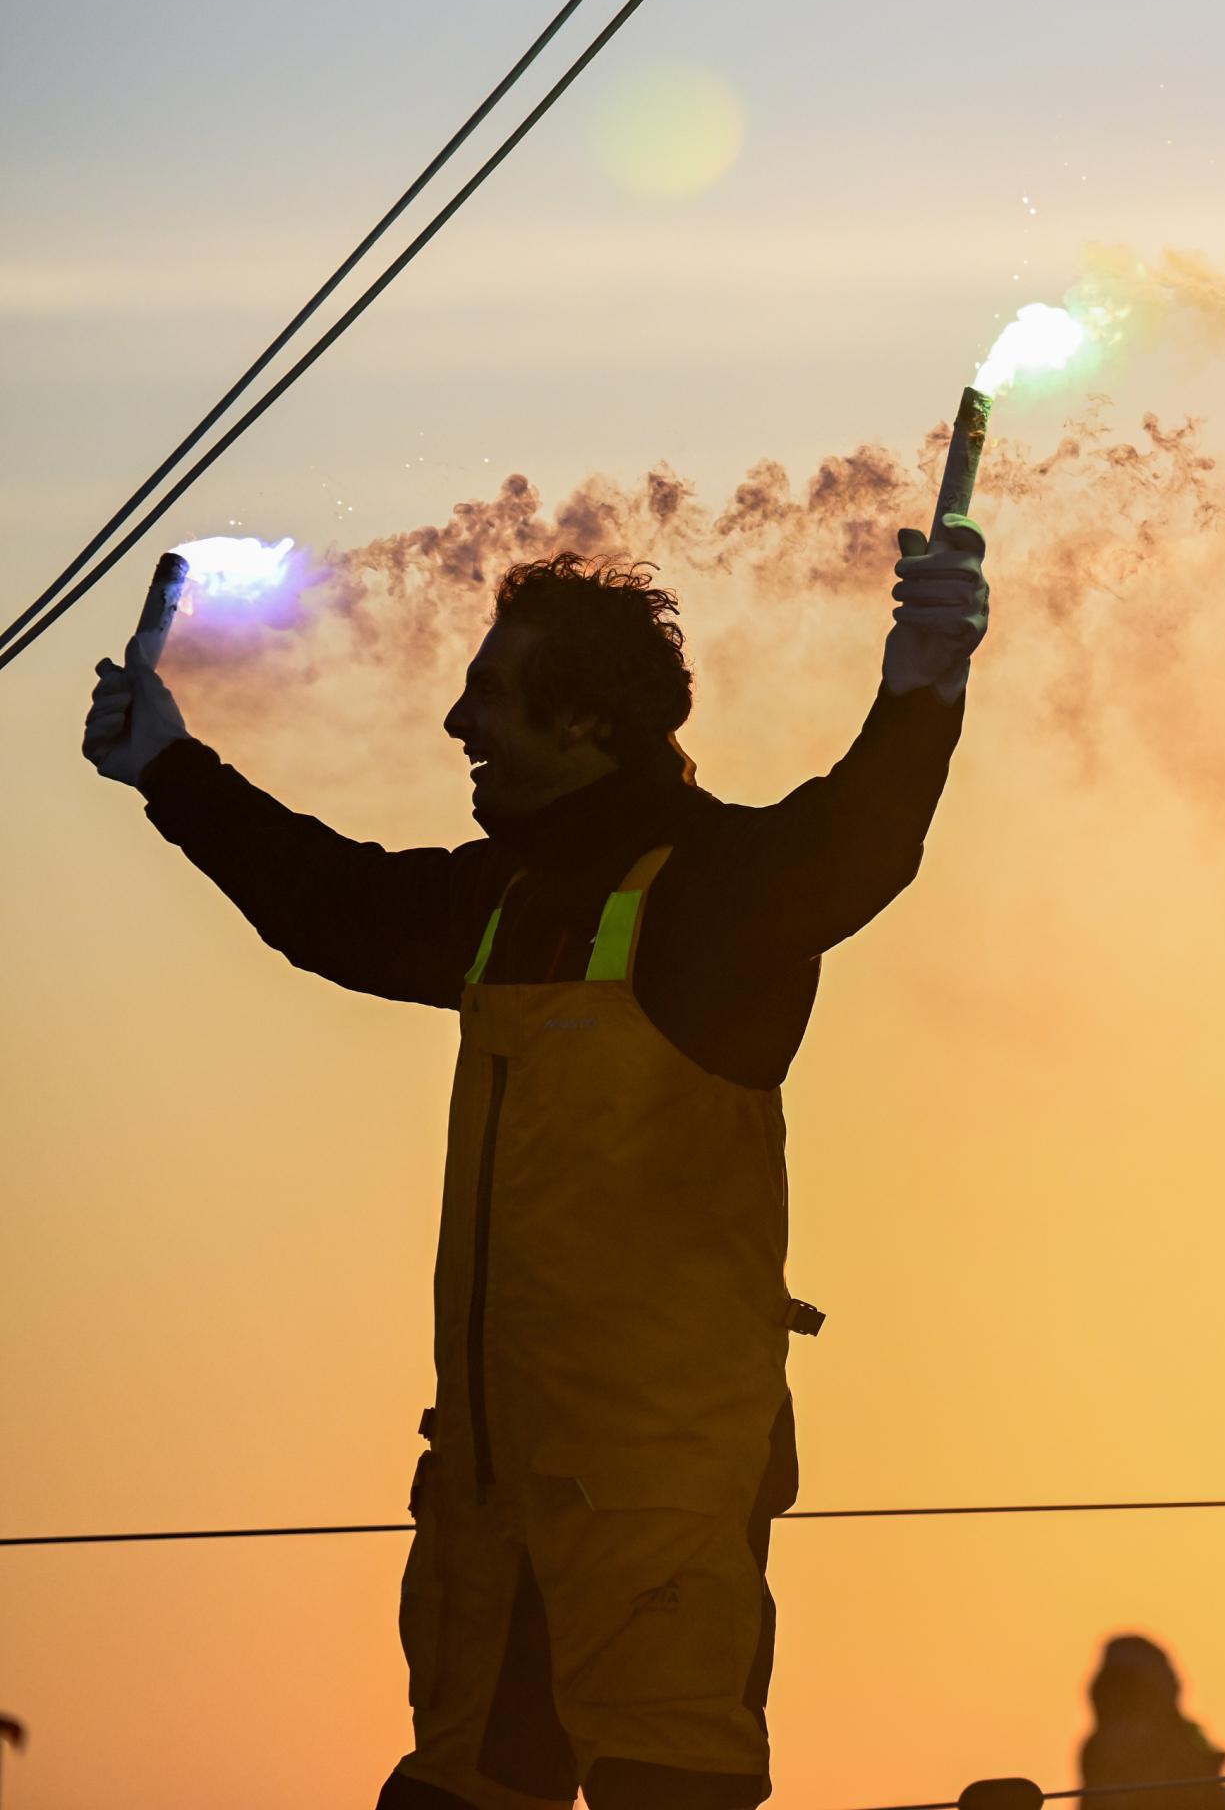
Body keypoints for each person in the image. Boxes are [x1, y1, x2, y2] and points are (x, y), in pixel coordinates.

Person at [79, 514, 991, 1809]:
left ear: (587, 727)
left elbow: (857, 844)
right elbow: (336, 907)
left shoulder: (712, 898)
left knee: (665, 1784)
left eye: (489, 693)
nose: (458, 722)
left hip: (651, 1512)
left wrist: (926, 679)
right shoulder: (504, 902)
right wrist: (171, 770)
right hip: (488, 1510)